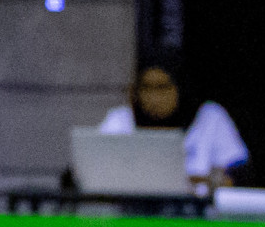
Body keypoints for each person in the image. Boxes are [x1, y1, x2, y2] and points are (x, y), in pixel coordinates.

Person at [99, 64, 249, 188]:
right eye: (146, 88)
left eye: (162, 87)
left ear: (180, 87)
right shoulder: (120, 119)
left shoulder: (210, 117)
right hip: (130, 214)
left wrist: (210, 181)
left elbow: (238, 171)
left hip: (198, 216)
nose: (154, 98)